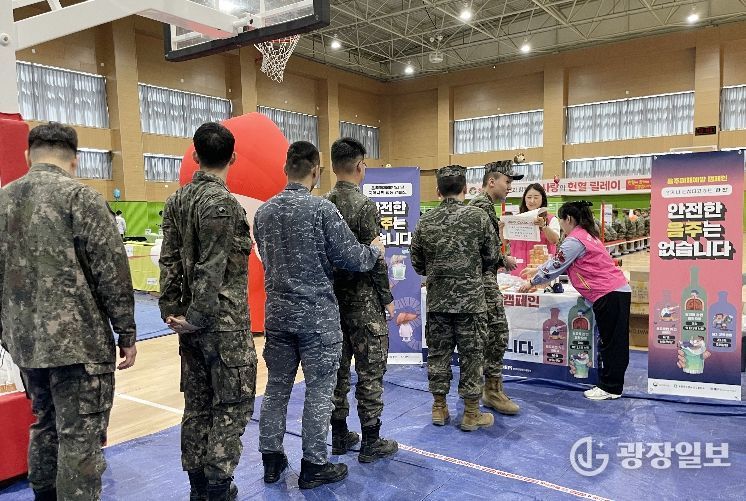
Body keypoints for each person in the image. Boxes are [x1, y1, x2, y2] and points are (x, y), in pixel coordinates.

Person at [0, 122, 137, 501]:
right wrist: (126, 333)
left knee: (44, 423)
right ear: (75, 160)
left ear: (27, 155)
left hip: (25, 344)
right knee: (80, 437)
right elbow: (112, 273)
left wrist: (7, 334)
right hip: (79, 348)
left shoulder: (3, 201)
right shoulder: (82, 199)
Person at [254, 141, 385, 489]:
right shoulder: (320, 210)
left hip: (277, 316)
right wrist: (374, 251)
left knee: (276, 388)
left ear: (286, 169)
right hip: (316, 318)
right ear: (316, 171)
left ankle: (271, 461)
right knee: (318, 391)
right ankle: (314, 464)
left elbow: (266, 258)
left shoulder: (263, 213)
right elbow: (352, 257)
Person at [159, 122, 256, 501]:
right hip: (222, 326)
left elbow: (168, 260)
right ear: (233, 158)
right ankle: (216, 487)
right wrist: (196, 317)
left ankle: (198, 487)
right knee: (231, 405)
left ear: (196, 155)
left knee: (197, 407)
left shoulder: (177, 201)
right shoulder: (222, 204)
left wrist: (172, 310)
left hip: (192, 325)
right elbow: (211, 268)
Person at [324, 137, 398, 463]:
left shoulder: (322, 204)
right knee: (369, 372)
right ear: (359, 166)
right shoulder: (365, 206)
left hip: (331, 304)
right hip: (364, 303)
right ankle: (370, 441)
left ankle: (339, 435)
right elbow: (375, 257)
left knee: (337, 373)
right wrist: (387, 298)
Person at [411, 165, 499, 432]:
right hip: (472, 303)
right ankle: (471, 413)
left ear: (438, 191)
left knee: (438, 355)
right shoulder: (478, 217)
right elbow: (492, 257)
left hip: (438, 302)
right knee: (472, 356)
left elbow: (418, 264)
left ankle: (439, 407)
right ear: (465, 189)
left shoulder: (425, 221)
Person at [518, 201, 631, 400]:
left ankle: (611, 387)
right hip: (615, 291)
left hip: (608, 293)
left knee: (612, 343)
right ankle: (612, 384)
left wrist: (532, 282)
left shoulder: (575, 240)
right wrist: (537, 269)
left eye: (560, 220)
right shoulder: (588, 235)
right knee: (614, 341)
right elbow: (560, 261)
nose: (560, 225)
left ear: (568, 219)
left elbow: (557, 265)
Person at [468, 161, 520, 415]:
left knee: (487, 336)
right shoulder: (482, 206)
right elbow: (483, 250)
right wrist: (502, 258)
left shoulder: (482, 205)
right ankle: (491, 391)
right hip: (482, 281)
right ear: (491, 181)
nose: (510, 187)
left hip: (481, 279)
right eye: (506, 182)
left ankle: (487, 389)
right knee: (497, 334)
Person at [507, 183, 560, 277]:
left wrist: (544, 226)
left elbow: (555, 240)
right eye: (529, 197)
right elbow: (506, 242)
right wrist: (501, 229)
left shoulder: (551, 219)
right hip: (517, 272)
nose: (532, 201)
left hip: (541, 273)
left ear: (542, 198)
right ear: (524, 199)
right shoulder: (516, 219)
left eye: (536, 197)